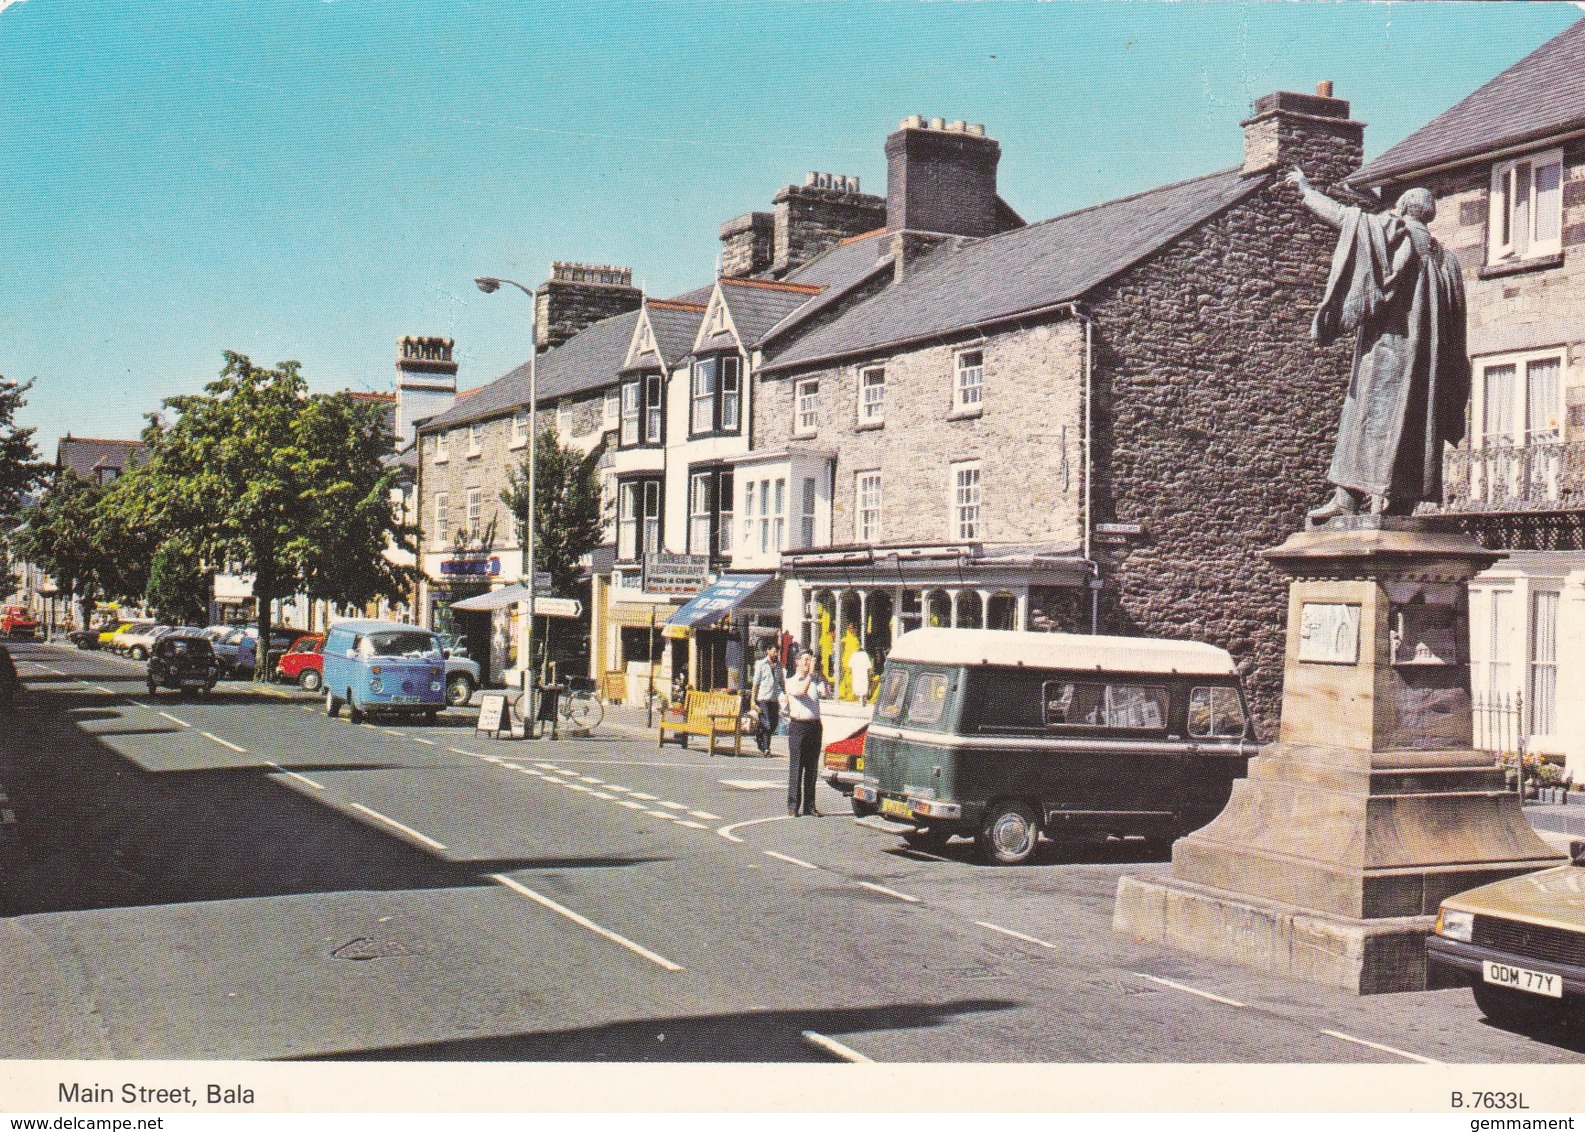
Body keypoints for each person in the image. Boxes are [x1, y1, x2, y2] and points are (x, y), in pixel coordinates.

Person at [1285, 167, 1470, 522]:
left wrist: (1305, 189)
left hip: (1388, 350)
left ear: (1401, 208)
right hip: (1426, 365)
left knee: (1364, 415)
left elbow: (1342, 217)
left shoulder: (1392, 231)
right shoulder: (1447, 261)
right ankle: (1403, 501)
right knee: (1415, 423)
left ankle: (1347, 498)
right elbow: (1456, 326)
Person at [784, 648, 830, 816]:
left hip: (814, 726)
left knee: (812, 768)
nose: (807, 662)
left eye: (809, 659)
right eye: (804, 659)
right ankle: (793, 805)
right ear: (797, 662)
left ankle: (810, 805)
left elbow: (826, 693)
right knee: (797, 767)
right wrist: (810, 676)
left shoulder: (815, 680)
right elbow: (800, 692)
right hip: (798, 727)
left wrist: (822, 674)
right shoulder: (792, 681)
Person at [750, 641, 784, 757]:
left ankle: (758, 732)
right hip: (763, 699)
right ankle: (766, 748)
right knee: (768, 724)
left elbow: (782, 682)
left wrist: (787, 694)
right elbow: (755, 684)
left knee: (773, 724)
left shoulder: (779, 665)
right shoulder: (761, 664)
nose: (776, 654)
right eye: (774, 651)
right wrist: (753, 701)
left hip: (773, 699)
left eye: (777, 652)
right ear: (767, 651)